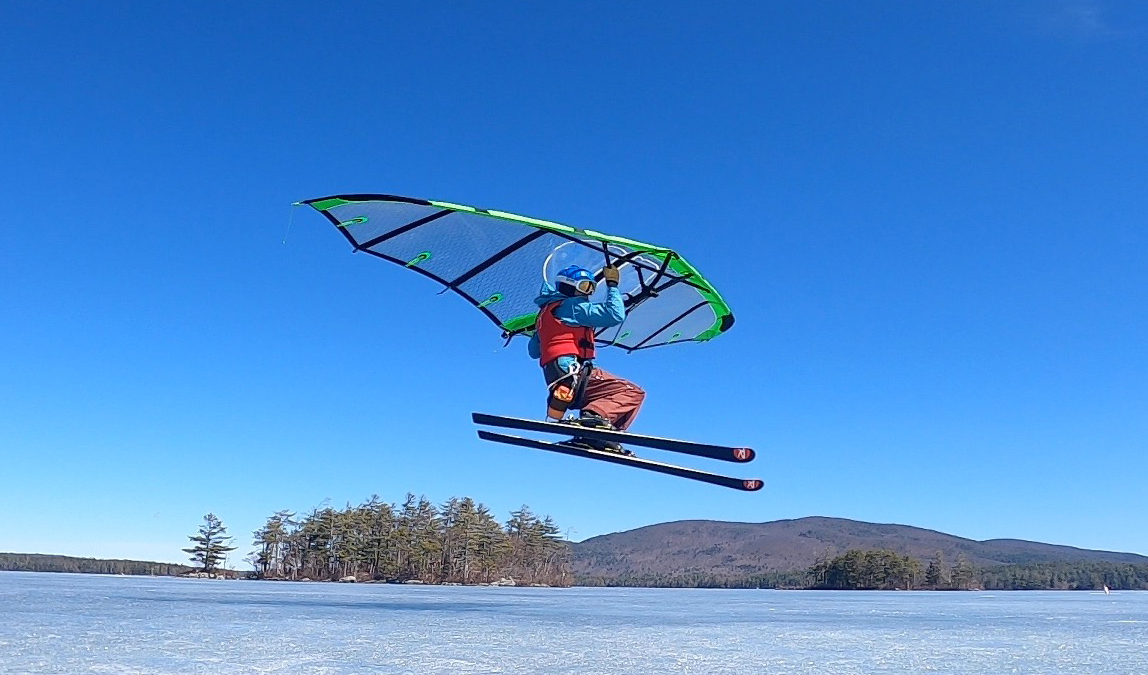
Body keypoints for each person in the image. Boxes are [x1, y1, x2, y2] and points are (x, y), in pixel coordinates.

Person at [527, 264, 646, 454]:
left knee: (614, 395)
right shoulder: (573, 306)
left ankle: (596, 437)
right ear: (568, 286)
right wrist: (612, 284)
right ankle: (594, 420)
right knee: (632, 392)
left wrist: (547, 334)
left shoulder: (544, 315)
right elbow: (615, 315)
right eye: (584, 287)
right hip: (576, 373)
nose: (588, 293)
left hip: (556, 377)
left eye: (591, 288)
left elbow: (533, 351)